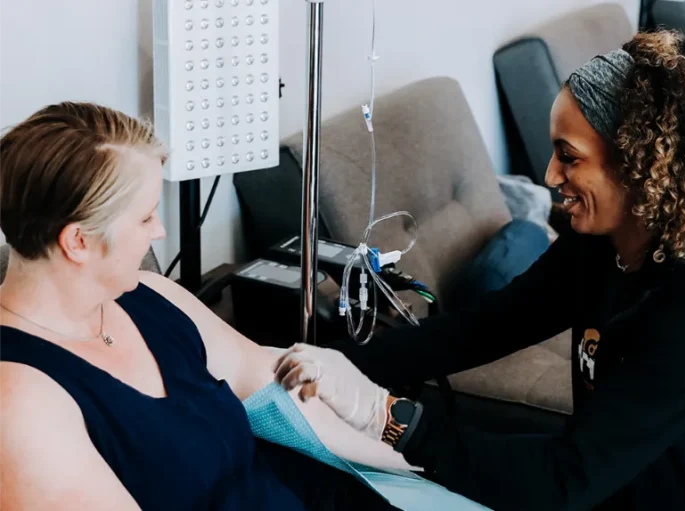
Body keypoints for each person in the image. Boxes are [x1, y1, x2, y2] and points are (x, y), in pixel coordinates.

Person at [274, 30, 685, 510]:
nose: (551, 176)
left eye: (569, 157)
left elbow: (564, 482)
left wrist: (386, 417)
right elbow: (483, 328)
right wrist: (324, 362)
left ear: (639, 165)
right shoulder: (599, 249)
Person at [0, 101, 420, 510]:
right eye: (146, 218)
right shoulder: (20, 403)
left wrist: (400, 460)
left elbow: (268, 383)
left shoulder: (152, 295)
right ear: (78, 241)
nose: (160, 231)